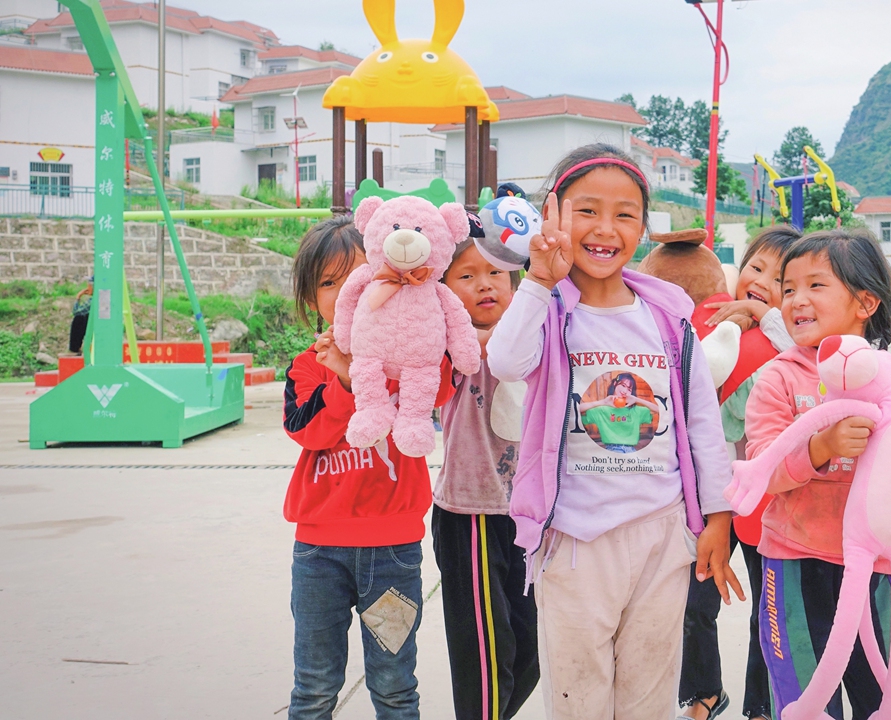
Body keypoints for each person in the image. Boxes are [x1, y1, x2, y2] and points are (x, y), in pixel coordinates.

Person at [487, 143, 744, 720]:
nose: (606, 229)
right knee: (581, 694)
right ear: (552, 212)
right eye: (587, 211)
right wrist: (537, 281)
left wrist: (718, 516)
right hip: (576, 540)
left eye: (625, 214)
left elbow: (701, 421)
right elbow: (505, 361)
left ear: (644, 228)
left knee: (649, 693)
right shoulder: (549, 307)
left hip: (662, 534)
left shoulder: (667, 316)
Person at [743, 230, 891, 720]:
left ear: (865, 302)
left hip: (877, 573)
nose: (795, 299)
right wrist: (822, 445)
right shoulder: (780, 376)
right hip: (794, 564)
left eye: (815, 285)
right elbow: (762, 469)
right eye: (788, 286)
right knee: (803, 701)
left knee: (888, 698)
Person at [282, 214, 452, 720]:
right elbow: (304, 428)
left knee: (394, 683)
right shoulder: (307, 365)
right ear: (312, 300)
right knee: (314, 685)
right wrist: (345, 383)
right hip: (318, 554)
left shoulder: (413, 360)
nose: (341, 292)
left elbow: (438, 391)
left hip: (393, 553)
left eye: (355, 275)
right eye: (328, 283)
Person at [673, 226, 804, 720]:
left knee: (767, 613)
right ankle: (704, 693)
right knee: (694, 602)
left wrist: (761, 314)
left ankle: (762, 706)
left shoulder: (791, 332)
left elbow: (795, 345)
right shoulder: (709, 316)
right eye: (756, 268)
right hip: (710, 494)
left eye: (781, 279)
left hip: (768, 502)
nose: (763, 281)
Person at [432, 219, 539, 720]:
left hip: (529, 514)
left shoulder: (533, 335)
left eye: (496, 272)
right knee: (483, 653)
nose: (484, 284)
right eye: (467, 275)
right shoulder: (447, 342)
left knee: (534, 645)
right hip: (470, 513)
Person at [578, 372, 660, 453]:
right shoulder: (602, 410)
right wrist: (603, 402)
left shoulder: (636, 410)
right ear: (615, 383)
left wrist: (637, 400)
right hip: (611, 450)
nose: (625, 391)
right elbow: (577, 409)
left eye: (629, 389)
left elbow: (660, 410)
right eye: (623, 385)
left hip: (632, 451)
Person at [68, 276, 93, 354]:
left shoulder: (93, 301)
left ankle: (74, 348)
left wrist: (78, 297)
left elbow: (76, 312)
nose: (87, 288)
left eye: (89, 286)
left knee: (78, 319)